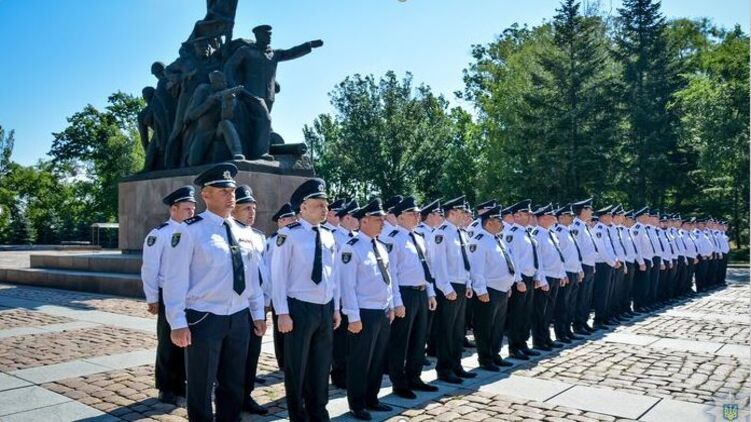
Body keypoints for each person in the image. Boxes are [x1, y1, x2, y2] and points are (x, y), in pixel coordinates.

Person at [163, 163, 267, 421]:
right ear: (205, 195)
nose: (230, 194)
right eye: (222, 190)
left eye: (231, 190)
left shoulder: (245, 233)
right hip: (205, 317)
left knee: (233, 383)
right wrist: (177, 322)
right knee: (200, 385)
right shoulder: (189, 230)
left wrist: (257, 313)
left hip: (239, 318)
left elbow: (251, 278)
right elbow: (175, 280)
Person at [270, 178, 340, 422]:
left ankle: (318, 411)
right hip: (298, 308)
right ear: (303, 207)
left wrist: (336, 308)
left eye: (326, 205)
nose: (325, 209)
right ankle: (297, 415)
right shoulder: (287, 235)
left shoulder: (330, 236)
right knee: (297, 367)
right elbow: (277, 276)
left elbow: (334, 276)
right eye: (319, 204)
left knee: (321, 366)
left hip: (324, 308)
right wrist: (282, 312)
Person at [339, 199, 395, 420]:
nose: (382, 223)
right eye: (377, 219)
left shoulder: (380, 245)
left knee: (377, 359)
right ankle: (357, 403)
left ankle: (373, 398)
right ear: (363, 221)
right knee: (360, 360)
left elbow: (388, 279)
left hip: (381, 311)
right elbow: (347, 285)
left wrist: (391, 304)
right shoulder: (352, 248)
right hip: (363, 312)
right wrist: (353, 316)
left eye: (383, 219)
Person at [141, 186, 196, 405]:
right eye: (187, 209)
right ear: (174, 209)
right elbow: (150, 268)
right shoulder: (160, 234)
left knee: (189, 340)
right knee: (168, 341)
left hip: (192, 293)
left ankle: (183, 383)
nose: (192, 213)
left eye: (194, 209)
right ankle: (166, 387)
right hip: (167, 293)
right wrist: (152, 297)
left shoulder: (194, 231)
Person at [382, 197, 439, 399]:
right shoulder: (393, 239)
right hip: (404, 293)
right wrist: (397, 301)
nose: (417, 216)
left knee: (418, 338)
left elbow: (428, 268)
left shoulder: (420, 237)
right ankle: (399, 383)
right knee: (401, 340)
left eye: (417, 213)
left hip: (421, 291)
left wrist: (430, 293)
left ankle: (414, 377)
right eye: (412, 213)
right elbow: (393, 274)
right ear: (399, 217)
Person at [428, 196, 476, 383]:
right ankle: (445, 369)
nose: (465, 215)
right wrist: (446, 288)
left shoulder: (461, 233)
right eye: (462, 211)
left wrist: (469, 284)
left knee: (458, 329)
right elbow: (438, 264)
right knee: (446, 330)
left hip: (461, 285)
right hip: (448, 286)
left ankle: (457, 365)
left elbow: (466, 263)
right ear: (453, 212)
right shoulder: (441, 234)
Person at [231, 184, 270, 415]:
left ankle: (246, 395)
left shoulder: (258, 237)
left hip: (254, 305)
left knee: (251, 355)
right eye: (246, 208)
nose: (252, 212)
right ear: (234, 210)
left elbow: (262, 274)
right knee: (233, 359)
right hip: (234, 305)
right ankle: (231, 399)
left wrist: (265, 302)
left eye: (254, 208)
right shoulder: (229, 231)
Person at [468, 204, 517, 371]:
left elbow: (506, 263)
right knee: (485, 326)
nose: (502, 223)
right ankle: (485, 358)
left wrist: (509, 284)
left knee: (497, 326)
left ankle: (495, 354)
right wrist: (481, 290)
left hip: (502, 290)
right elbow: (476, 269)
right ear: (489, 222)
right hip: (488, 291)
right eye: (498, 220)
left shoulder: (497, 239)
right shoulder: (479, 241)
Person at [503, 200, 542, 360]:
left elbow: (535, 257)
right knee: (517, 314)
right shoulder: (512, 234)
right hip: (520, 279)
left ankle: (523, 344)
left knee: (526, 313)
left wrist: (538, 276)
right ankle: (515, 347)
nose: (529, 217)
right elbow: (513, 259)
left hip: (530, 277)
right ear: (517, 216)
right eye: (526, 214)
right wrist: (518, 280)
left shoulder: (528, 233)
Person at [330, 199, 359, 390]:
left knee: (353, 339)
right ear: (347, 217)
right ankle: (339, 375)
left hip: (356, 294)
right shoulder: (333, 236)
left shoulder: (356, 237)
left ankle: (350, 371)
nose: (359, 220)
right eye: (357, 216)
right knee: (341, 340)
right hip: (340, 294)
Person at [530, 204, 567, 351]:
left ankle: (546, 338)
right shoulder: (537, 234)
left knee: (549, 311)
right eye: (551, 215)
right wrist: (542, 279)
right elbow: (538, 260)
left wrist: (562, 274)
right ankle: (539, 340)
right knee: (540, 311)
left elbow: (558, 255)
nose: (554, 217)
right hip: (546, 278)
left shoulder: (550, 233)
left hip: (555, 276)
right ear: (544, 217)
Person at [265, 202, 297, 369]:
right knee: (280, 328)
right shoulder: (272, 241)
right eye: (287, 219)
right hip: (276, 289)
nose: (292, 221)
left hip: (293, 289)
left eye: (293, 218)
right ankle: (283, 360)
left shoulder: (295, 237)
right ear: (279, 221)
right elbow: (269, 268)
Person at [552, 204, 584, 343]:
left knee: (571, 303)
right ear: (561, 217)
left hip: (573, 271)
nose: (572, 218)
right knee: (562, 304)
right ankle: (561, 332)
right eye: (569, 216)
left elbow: (574, 253)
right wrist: (562, 273)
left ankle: (567, 330)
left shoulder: (568, 230)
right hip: (566, 272)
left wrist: (579, 269)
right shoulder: (558, 231)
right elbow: (559, 255)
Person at [570, 199, 598, 335]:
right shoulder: (576, 227)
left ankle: (583, 321)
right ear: (583, 210)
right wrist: (580, 268)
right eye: (589, 209)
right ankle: (578, 324)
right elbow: (577, 250)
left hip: (589, 265)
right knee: (581, 297)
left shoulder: (585, 226)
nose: (592, 212)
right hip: (582, 267)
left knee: (586, 296)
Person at [591, 205, 620, 330]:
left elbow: (610, 247)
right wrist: (612, 262)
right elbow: (602, 250)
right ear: (602, 217)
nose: (610, 218)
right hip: (602, 264)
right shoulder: (598, 230)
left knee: (608, 292)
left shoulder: (606, 229)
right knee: (602, 293)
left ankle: (606, 317)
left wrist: (615, 259)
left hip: (609, 264)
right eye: (608, 216)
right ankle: (598, 320)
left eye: (611, 216)